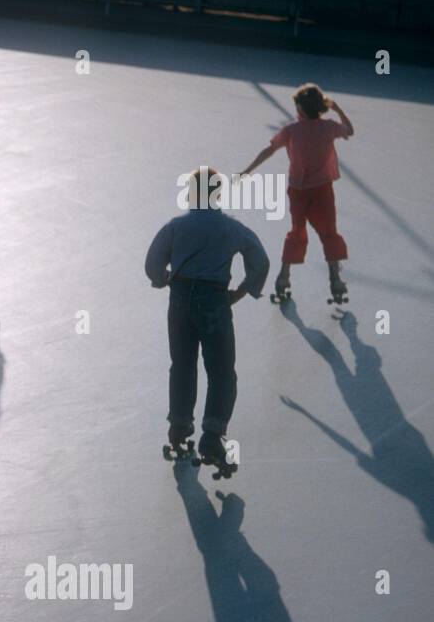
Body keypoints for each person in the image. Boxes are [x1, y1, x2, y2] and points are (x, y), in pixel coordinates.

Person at [145, 167, 270, 468]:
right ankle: (212, 436)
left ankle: (179, 427)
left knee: (183, 365)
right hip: (214, 300)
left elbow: (152, 263)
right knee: (221, 370)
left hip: (180, 301)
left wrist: (162, 279)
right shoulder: (230, 228)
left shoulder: (176, 226)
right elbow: (260, 260)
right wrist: (241, 291)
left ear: (190, 193)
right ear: (218, 195)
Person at [238, 83, 354, 301]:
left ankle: (283, 277)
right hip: (322, 190)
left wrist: (247, 171)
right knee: (329, 232)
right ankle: (335, 280)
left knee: (297, 231)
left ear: (300, 108)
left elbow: (269, 150)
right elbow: (349, 130)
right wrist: (338, 110)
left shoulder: (291, 131)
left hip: (298, 192)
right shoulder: (329, 127)